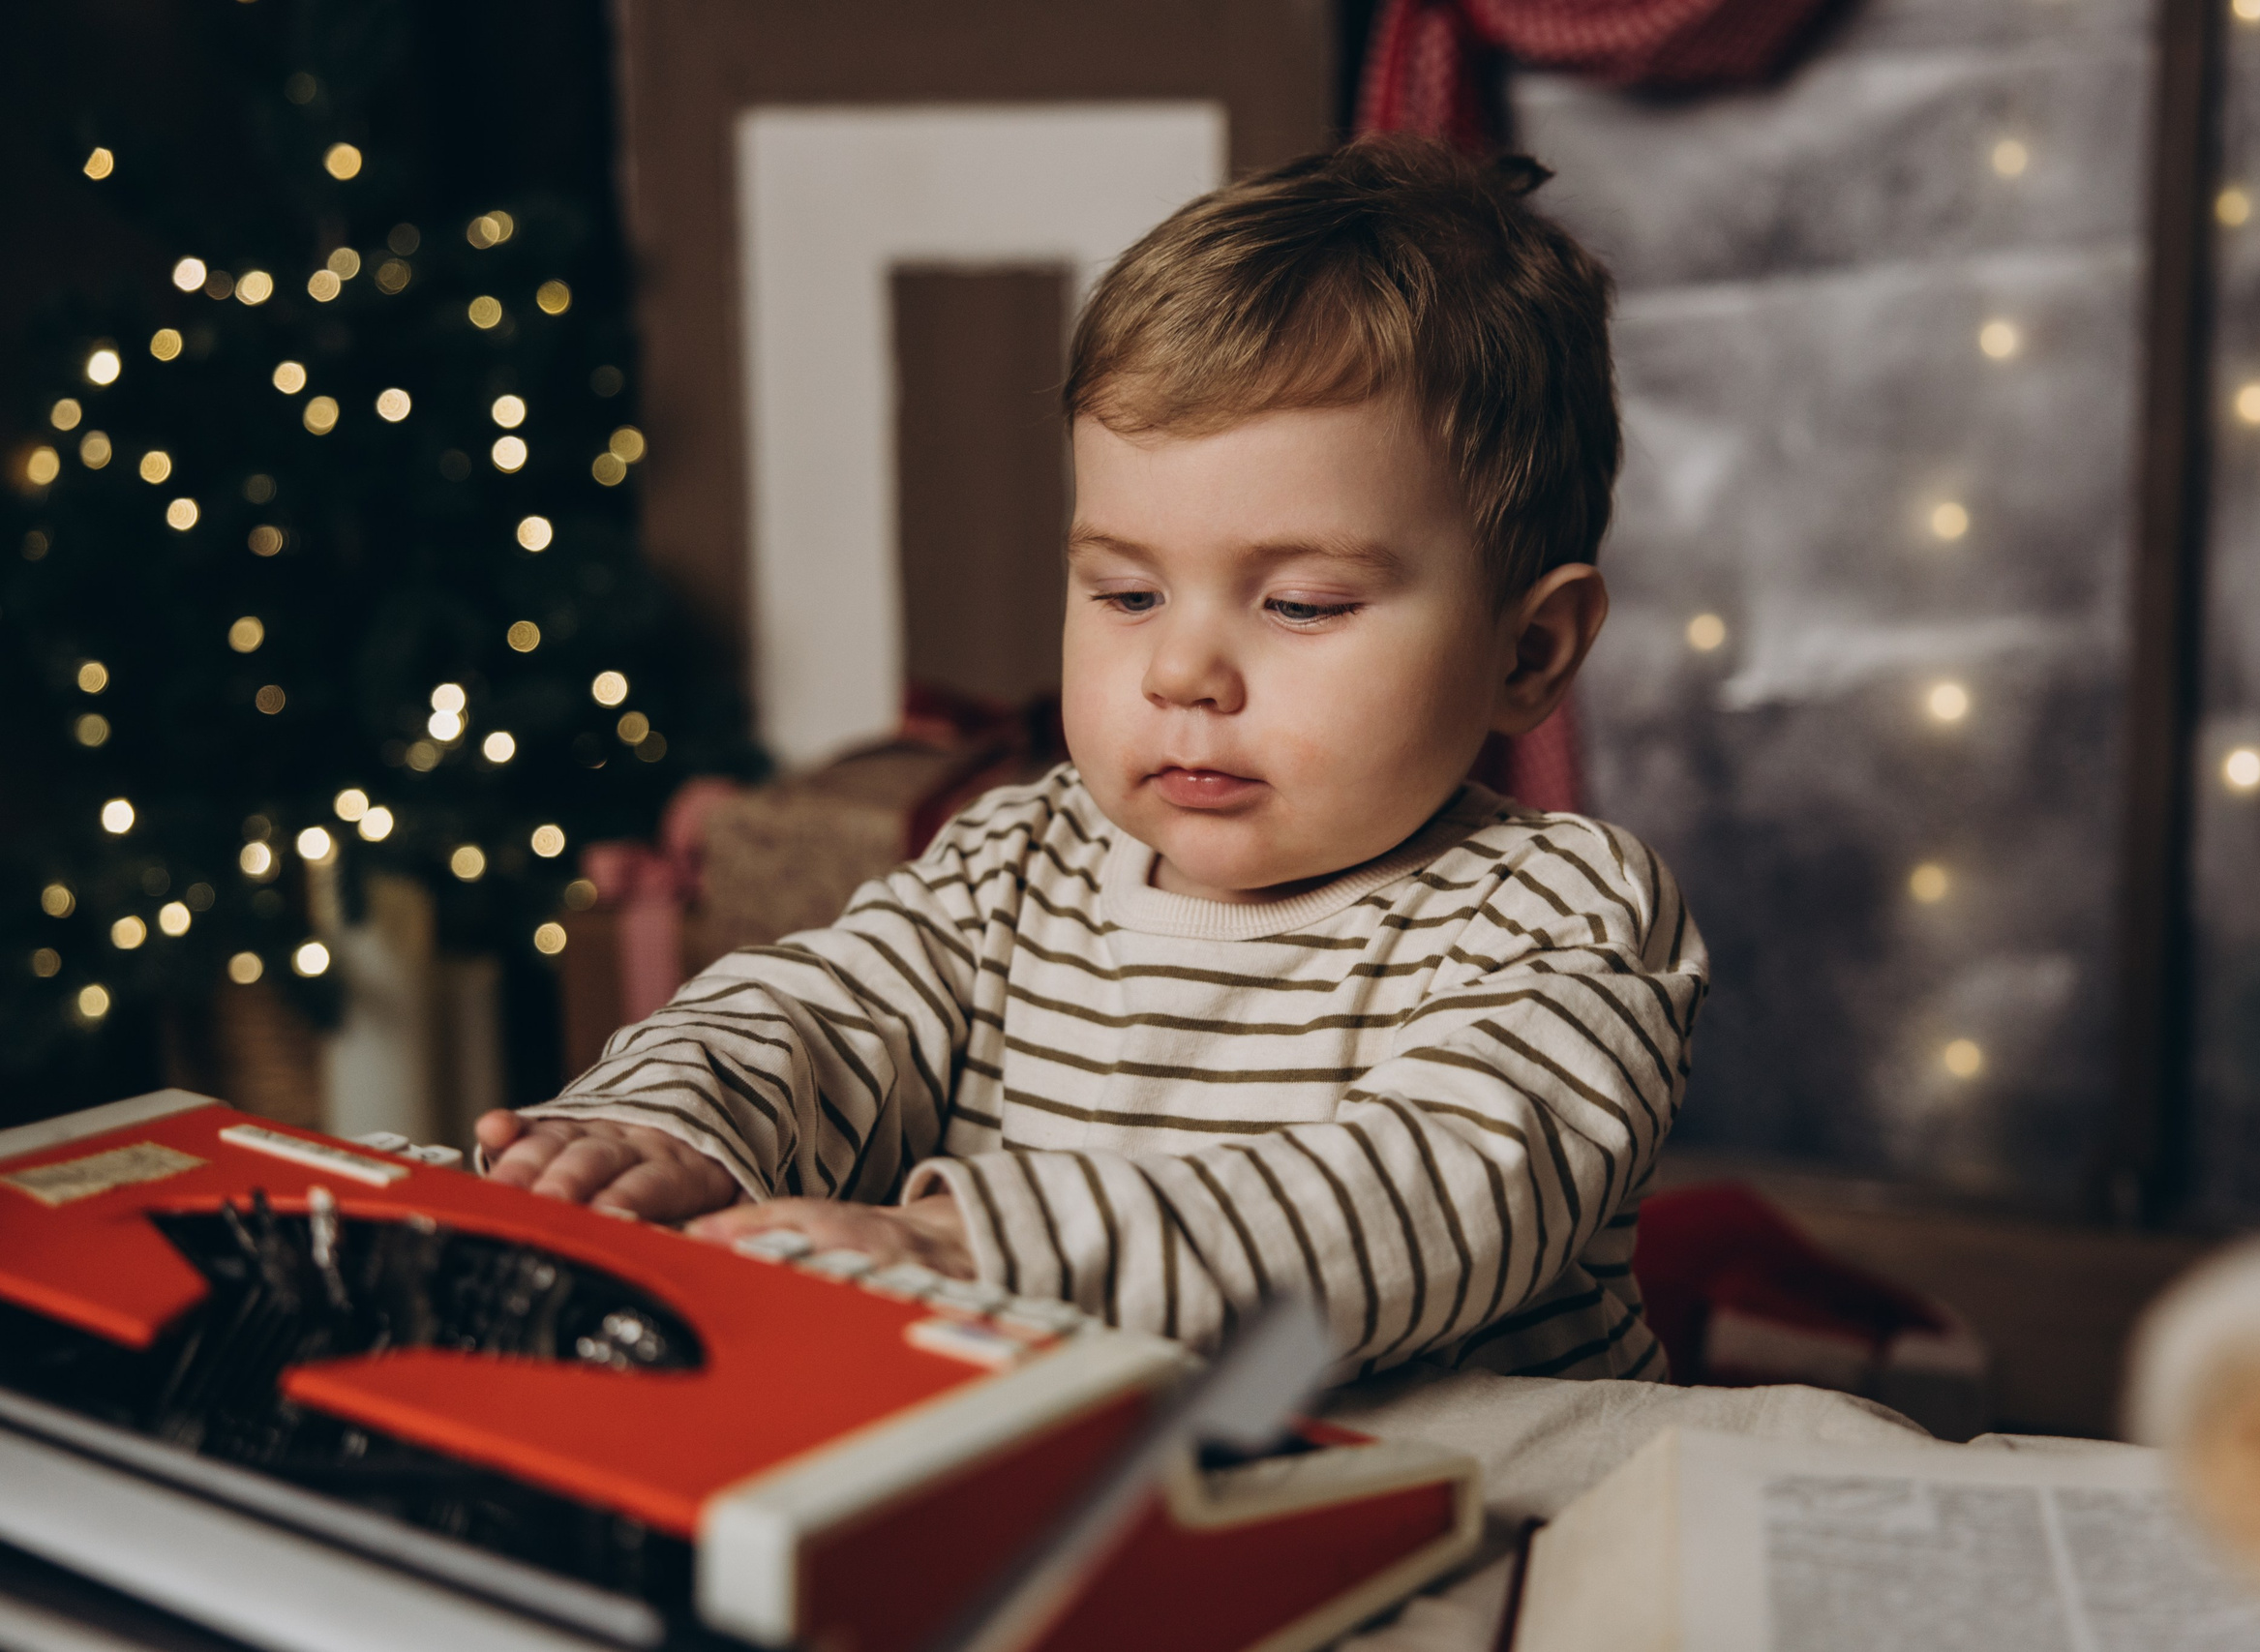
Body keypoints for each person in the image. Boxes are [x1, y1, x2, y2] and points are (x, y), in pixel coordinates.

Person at [475, 135, 1706, 1382]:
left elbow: (1438, 1198)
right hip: (1104, 1474)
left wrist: (976, 1247)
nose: (1182, 673)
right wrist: (669, 1124)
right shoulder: (1020, 860)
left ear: (1529, 650)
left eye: (1303, 605)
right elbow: (818, 1015)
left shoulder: (1561, 915)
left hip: (1472, 1484)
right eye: (1126, 592)